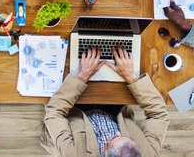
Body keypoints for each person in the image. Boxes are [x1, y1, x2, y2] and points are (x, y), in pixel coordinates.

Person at [41, 47, 170, 156]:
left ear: (105, 150)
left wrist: (82, 77)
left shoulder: (74, 153)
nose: (118, 132)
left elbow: (54, 113)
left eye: (114, 138)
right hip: (114, 110)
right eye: (128, 137)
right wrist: (131, 77)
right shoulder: (147, 153)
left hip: (75, 112)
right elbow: (159, 115)